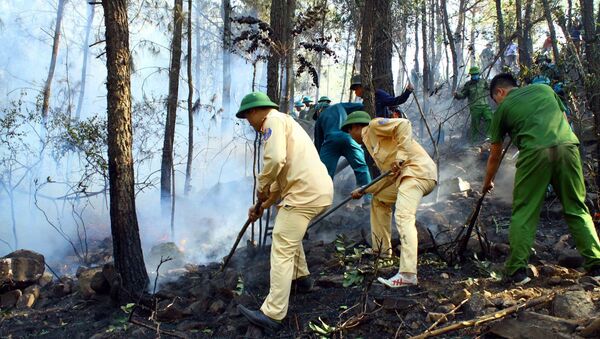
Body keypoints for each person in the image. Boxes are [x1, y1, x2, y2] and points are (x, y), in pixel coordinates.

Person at [484, 73, 600, 285]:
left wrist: (487, 181)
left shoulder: (502, 109)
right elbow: (564, 121)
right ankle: (596, 263)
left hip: (535, 154)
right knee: (576, 206)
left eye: (495, 99)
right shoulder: (545, 90)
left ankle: (518, 270)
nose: (497, 103)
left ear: (499, 92)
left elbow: (495, 154)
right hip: (568, 147)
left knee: (525, 210)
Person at [235, 92, 334, 332]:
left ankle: (272, 314)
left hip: (304, 193)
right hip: (316, 190)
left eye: (247, 116)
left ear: (256, 111)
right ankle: (302, 279)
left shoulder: (272, 121)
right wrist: (262, 205)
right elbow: (280, 181)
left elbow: (275, 160)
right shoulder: (286, 123)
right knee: (289, 232)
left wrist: (261, 184)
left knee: (281, 244)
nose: (249, 122)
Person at [341, 111, 437, 288]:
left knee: (403, 216)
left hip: (417, 172)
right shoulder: (370, 144)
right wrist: (364, 190)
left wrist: (400, 157)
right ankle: (382, 250)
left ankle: (408, 274)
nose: (350, 137)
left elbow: (404, 124)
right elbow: (387, 178)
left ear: (355, 127)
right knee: (379, 200)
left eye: (349, 131)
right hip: (404, 177)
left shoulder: (374, 126)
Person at [314, 103, 371, 189]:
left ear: (319, 110)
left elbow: (318, 142)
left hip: (331, 141)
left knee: (325, 172)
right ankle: (368, 197)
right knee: (361, 167)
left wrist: (318, 158)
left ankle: (323, 196)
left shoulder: (320, 117)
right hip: (349, 137)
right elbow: (361, 106)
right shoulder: (340, 106)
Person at [453, 66, 494, 143]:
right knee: (475, 124)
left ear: (478, 74)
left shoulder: (483, 82)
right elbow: (463, 95)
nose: (475, 76)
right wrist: (457, 95)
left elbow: (490, 88)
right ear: (471, 75)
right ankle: (473, 142)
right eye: (473, 74)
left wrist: (496, 85)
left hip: (485, 106)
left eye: (476, 74)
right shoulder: (468, 85)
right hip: (475, 107)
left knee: (490, 119)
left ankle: (489, 137)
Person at [349, 75, 414, 118]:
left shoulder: (378, 94)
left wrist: (407, 92)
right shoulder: (364, 102)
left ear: (362, 86)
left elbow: (395, 101)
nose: (355, 92)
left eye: (356, 89)